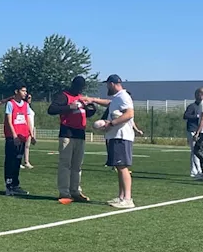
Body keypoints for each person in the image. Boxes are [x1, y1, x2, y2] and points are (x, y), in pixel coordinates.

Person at [90, 75, 139, 208]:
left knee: (123, 167)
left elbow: (129, 114)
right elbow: (109, 103)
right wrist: (93, 99)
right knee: (119, 167)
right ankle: (121, 196)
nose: (107, 87)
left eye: (107, 84)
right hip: (116, 136)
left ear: (112, 84)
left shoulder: (123, 96)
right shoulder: (118, 97)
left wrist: (111, 123)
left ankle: (128, 199)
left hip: (121, 137)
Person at [48, 76, 97, 202]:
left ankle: (75, 191)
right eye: (78, 87)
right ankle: (64, 192)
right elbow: (52, 109)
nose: (79, 90)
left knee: (77, 165)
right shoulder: (64, 96)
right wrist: (70, 107)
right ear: (73, 85)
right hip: (67, 134)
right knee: (65, 164)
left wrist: (90, 108)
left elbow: (89, 113)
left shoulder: (81, 98)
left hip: (80, 134)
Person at [3, 84, 32, 196]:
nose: (25, 93)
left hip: (22, 137)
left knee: (17, 162)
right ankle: (8, 186)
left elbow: (27, 120)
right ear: (17, 91)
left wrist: (31, 134)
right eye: (23, 91)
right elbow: (9, 121)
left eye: (26, 91)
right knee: (10, 161)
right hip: (13, 137)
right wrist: (14, 136)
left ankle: (15, 184)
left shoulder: (25, 105)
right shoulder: (10, 104)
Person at [183, 99, 202, 178]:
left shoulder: (201, 107)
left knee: (195, 151)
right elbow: (185, 116)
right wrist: (196, 116)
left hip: (198, 130)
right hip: (192, 130)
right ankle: (197, 170)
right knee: (194, 150)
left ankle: (194, 170)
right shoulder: (192, 106)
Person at [22, 93, 38, 169]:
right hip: (25, 127)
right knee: (23, 146)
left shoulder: (29, 107)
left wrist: (33, 130)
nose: (30, 99)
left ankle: (26, 161)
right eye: (28, 98)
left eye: (30, 98)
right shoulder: (24, 106)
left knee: (27, 146)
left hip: (30, 127)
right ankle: (23, 161)